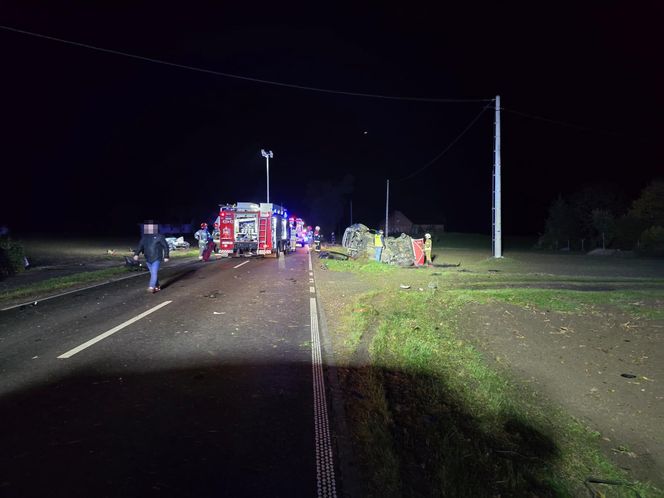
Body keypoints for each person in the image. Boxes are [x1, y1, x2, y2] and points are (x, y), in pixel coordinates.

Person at [133, 222, 170, 293]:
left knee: (154, 272)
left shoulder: (160, 236)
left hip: (157, 258)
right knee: (152, 273)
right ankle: (157, 286)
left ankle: (151, 286)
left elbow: (166, 246)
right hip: (148, 258)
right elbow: (140, 246)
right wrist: (136, 254)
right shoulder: (144, 237)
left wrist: (166, 256)